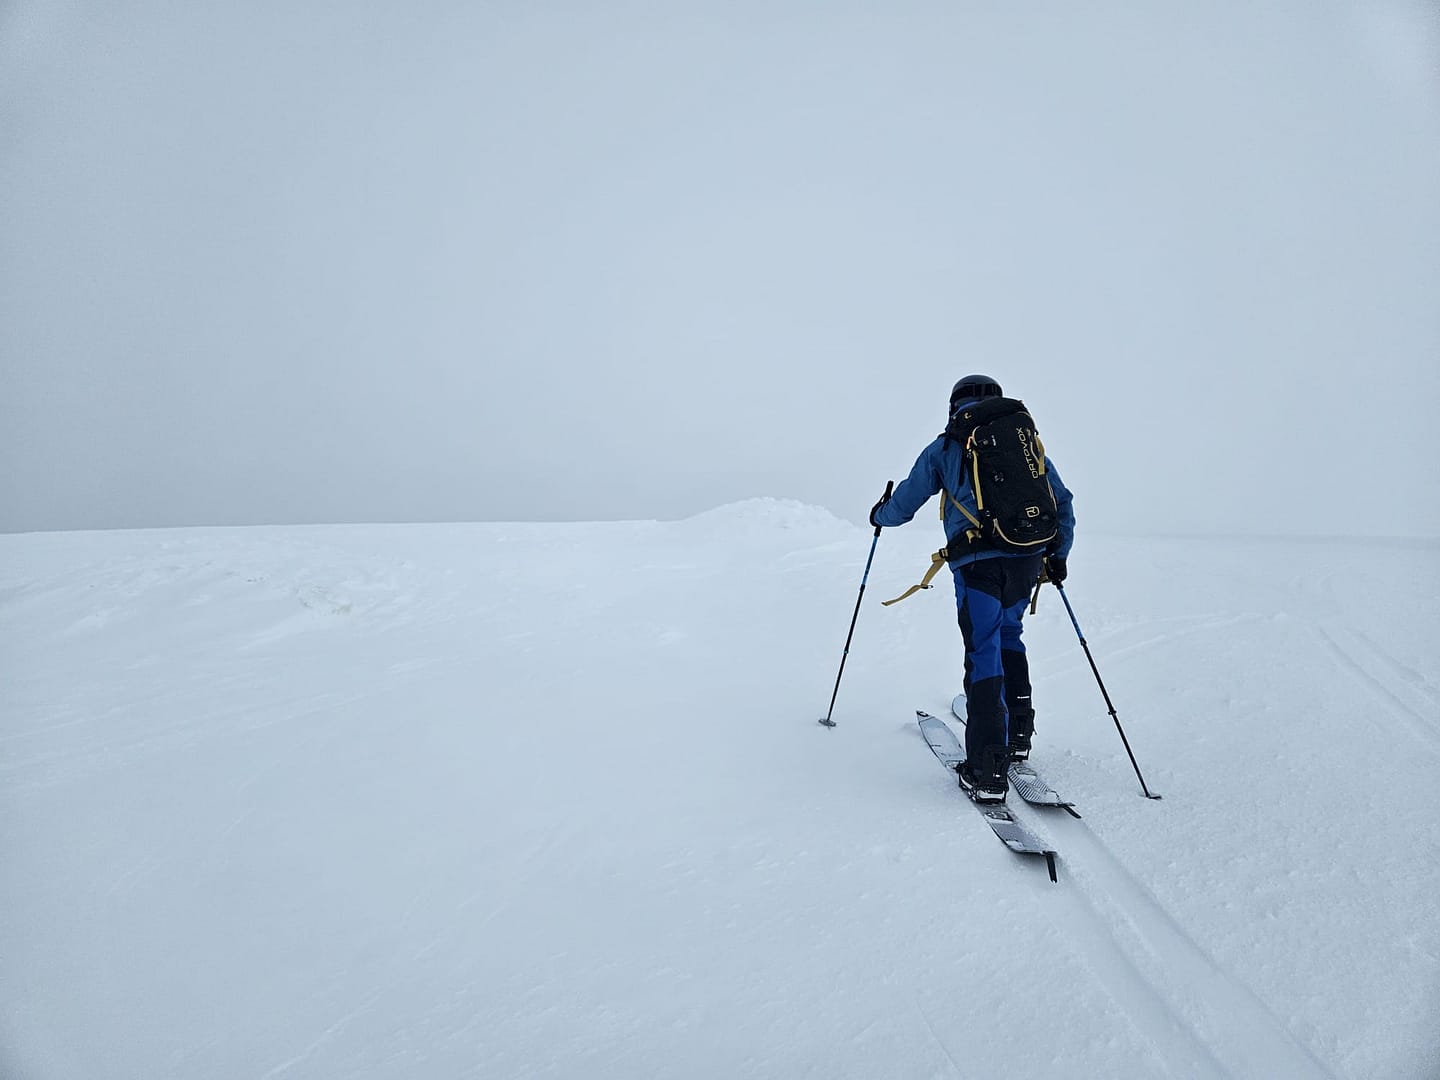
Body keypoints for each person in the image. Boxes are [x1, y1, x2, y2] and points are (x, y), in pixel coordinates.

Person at [870, 374, 1075, 802]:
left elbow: (904, 505)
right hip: (1026, 558)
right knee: (1009, 634)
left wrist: (879, 515)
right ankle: (1017, 734)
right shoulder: (1025, 444)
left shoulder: (947, 446)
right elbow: (1061, 500)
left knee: (983, 648)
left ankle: (986, 768)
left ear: (954, 406)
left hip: (977, 563)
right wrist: (1058, 556)